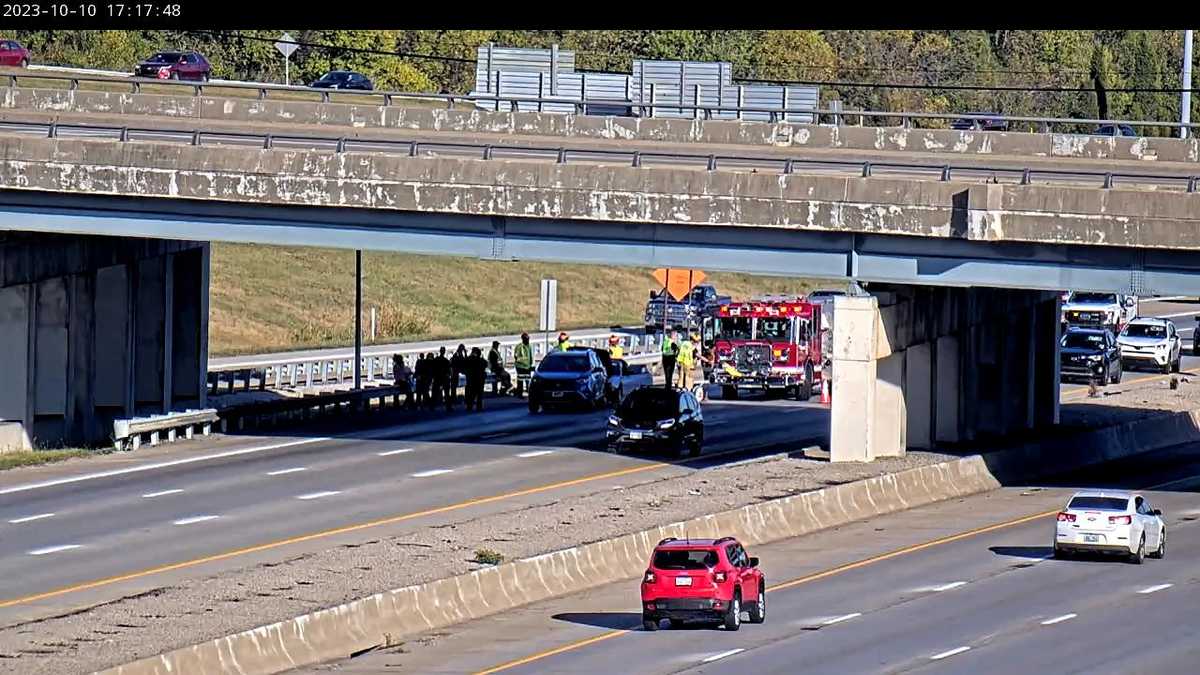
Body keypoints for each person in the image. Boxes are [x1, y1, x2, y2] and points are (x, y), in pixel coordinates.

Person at [464, 346, 488, 411]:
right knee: (479, 394)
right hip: (479, 380)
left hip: (472, 380)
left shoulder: (469, 359)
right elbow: (485, 364)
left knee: (471, 394)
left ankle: (470, 407)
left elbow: (465, 364)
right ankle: (479, 407)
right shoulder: (480, 360)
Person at [513, 332, 534, 397]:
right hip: (520, 367)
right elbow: (516, 357)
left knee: (528, 380)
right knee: (520, 381)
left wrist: (531, 365)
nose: (527, 340)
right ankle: (520, 394)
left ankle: (529, 393)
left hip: (527, 367)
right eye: (526, 339)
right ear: (523, 339)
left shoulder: (529, 346)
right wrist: (523, 362)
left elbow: (531, 356)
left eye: (528, 339)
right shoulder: (519, 346)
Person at [432, 346, 452, 411]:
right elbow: (449, 370)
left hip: (437, 378)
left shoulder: (436, 360)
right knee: (446, 393)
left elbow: (433, 369)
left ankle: (432, 406)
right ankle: (448, 406)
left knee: (435, 392)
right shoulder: (446, 361)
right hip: (444, 378)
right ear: (444, 352)